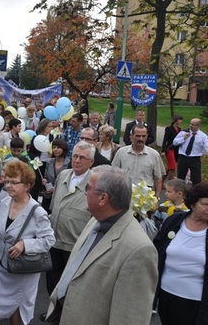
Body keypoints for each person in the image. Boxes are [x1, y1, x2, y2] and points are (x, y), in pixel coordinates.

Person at [46, 165, 158, 324]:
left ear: (103, 198)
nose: (84, 192)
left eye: (88, 188)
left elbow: (130, 318)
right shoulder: (94, 220)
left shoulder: (139, 249)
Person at [0, 160, 55, 325]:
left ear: (27, 186)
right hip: (0, 267)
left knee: (17, 311)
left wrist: (25, 244)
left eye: (14, 182)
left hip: (22, 272)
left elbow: (49, 240)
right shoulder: (4, 202)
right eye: (7, 181)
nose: (8, 185)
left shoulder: (37, 212)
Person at [42, 141, 95, 317]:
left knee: (71, 285)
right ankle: (54, 312)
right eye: (75, 156)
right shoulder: (63, 174)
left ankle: (68, 315)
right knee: (52, 282)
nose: (77, 160)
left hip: (76, 245)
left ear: (91, 162)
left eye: (82, 158)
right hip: (54, 241)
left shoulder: (95, 182)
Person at [154, 181, 208, 325]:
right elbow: (157, 251)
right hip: (166, 296)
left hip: (196, 304)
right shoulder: (173, 221)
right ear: (192, 203)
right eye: (205, 204)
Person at [112, 124, 165, 194]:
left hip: (145, 196)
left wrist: (157, 198)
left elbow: (158, 178)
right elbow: (113, 174)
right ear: (131, 137)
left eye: (143, 136)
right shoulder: (121, 152)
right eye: (137, 136)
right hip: (124, 194)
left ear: (147, 137)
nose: (141, 139)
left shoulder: (154, 155)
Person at [173, 117, 208, 186]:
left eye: (193, 124)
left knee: (196, 178)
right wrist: (183, 138)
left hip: (195, 158)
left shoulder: (203, 136)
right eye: (190, 124)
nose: (191, 126)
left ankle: (195, 194)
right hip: (183, 157)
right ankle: (180, 193)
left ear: (198, 126)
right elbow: (174, 142)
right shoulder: (184, 132)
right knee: (180, 177)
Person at [162, 114, 183, 183]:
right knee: (173, 167)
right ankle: (171, 184)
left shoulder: (179, 130)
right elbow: (165, 140)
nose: (181, 121)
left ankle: (160, 181)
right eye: (180, 120)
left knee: (169, 168)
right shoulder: (169, 129)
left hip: (176, 150)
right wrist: (163, 151)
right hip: (170, 149)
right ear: (176, 120)